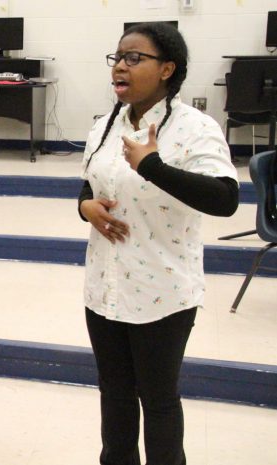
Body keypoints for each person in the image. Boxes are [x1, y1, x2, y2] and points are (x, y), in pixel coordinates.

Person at [78, 23, 239, 465]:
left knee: (159, 400)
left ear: (167, 68)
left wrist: (152, 166)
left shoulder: (194, 128)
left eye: (134, 58)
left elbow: (226, 199)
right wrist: (85, 208)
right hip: (104, 289)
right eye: (117, 57)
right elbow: (89, 184)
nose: (120, 66)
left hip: (162, 293)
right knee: (114, 396)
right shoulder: (105, 125)